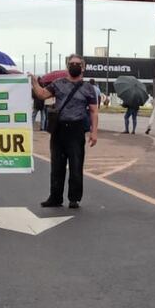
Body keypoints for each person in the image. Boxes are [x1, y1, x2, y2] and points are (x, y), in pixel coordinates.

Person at [31, 54, 98, 209]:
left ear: (83, 67)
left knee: (76, 165)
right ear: (67, 66)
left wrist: (94, 132)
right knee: (57, 166)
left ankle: (74, 198)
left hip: (76, 129)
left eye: (77, 63)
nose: (74, 66)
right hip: (59, 129)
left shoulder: (88, 88)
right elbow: (41, 94)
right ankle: (55, 197)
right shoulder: (57, 84)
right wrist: (34, 82)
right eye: (72, 63)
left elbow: (94, 111)